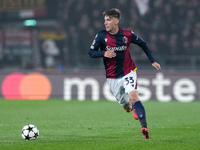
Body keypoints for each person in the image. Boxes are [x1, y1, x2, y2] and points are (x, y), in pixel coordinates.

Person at [89, 8, 161, 139]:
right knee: (127, 108)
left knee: (134, 97)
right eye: (105, 20)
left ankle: (144, 127)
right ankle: (133, 108)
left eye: (108, 20)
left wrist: (152, 60)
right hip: (112, 77)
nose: (105, 23)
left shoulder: (127, 35)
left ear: (116, 21)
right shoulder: (101, 36)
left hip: (128, 71)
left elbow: (143, 43)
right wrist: (104, 53)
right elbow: (91, 53)